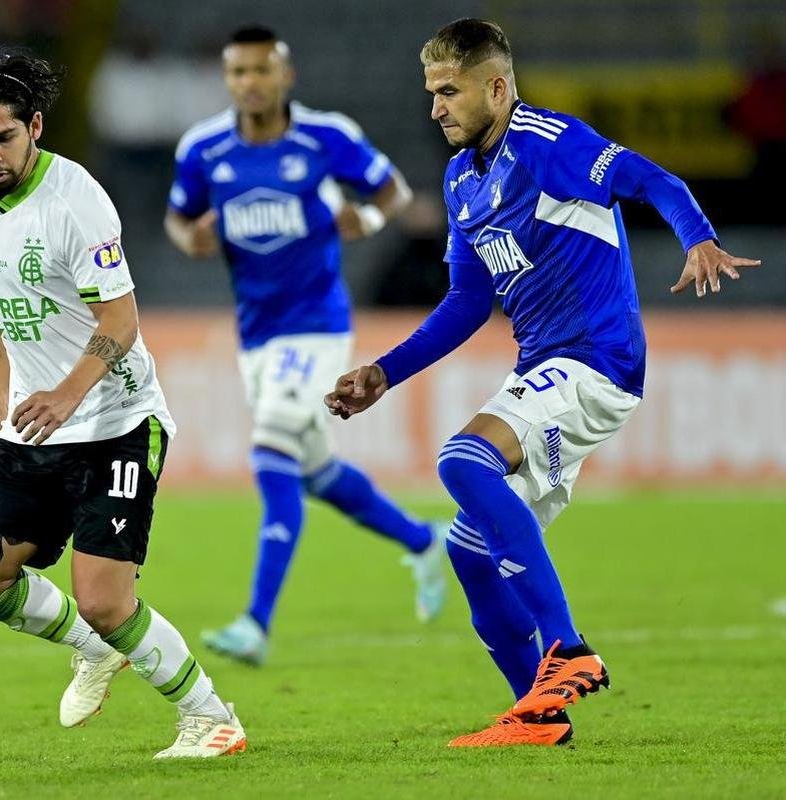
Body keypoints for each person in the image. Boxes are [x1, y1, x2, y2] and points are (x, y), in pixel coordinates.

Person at [325, 18, 760, 747]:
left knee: (462, 461)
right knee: (468, 552)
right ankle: (537, 714)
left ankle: (566, 649)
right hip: (548, 371)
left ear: (495, 86)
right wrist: (383, 373)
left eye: (448, 91)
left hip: (595, 358)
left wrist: (698, 237)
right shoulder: (462, 179)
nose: (435, 107)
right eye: (430, 92)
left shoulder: (545, 142)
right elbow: (467, 302)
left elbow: (651, 178)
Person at [0, 47, 246, 760]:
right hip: (33, 429)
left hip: (116, 422)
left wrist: (64, 393)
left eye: (2, 138)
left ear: (36, 127)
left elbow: (120, 320)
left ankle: (211, 718)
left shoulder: (76, 201)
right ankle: (92, 651)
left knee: (107, 599)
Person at [165, 25, 447, 667]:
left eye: (262, 71)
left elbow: (393, 190)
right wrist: (191, 240)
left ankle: (256, 623)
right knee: (315, 470)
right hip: (257, 334)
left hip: (317, 325)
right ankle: (424, 541)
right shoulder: (204, 148)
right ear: (227, 79)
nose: (250, 83)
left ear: (285, 76)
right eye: (238, 73)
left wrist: (368, 220)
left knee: (270, 448)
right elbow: (178, 218)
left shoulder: (327, 137)